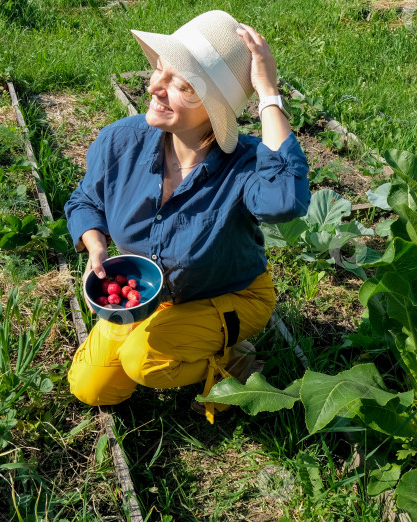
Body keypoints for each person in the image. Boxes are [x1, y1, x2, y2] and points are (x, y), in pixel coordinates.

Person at [64, 10, 310, 423]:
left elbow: (284, 201)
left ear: (214, 107)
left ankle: (232, 360)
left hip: (231, 294)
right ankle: (173, 337)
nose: (155, 87)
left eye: (180, 84)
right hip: (151, 298)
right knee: (91, 387)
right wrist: (95, 242)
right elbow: (85, 199)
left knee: (144, 361)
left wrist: (268, 92)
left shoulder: (244, 165)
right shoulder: (122, 140)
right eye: (160, 71)